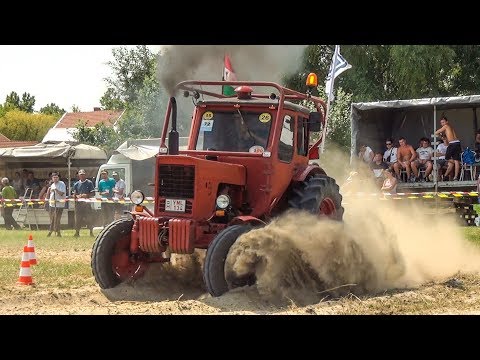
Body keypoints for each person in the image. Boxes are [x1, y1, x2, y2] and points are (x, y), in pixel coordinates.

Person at [435, 115, 462, 181]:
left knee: (447, 157)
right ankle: (455, 177)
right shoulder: (450, 127)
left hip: (452, 143)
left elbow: (436, 132)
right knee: (456, 160)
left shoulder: (446, 126)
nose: (442, 124)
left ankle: (460, 164)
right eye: (441, 123)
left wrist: (440, 135)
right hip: (457, 143)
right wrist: (442, 136)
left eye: (443, 122)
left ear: (447, 122)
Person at [72, 169, 95, 237]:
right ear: (78, 175)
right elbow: (74, 194)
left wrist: (86, 195)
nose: (82, 176)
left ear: (85, 175)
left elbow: (93, 193)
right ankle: (77, 232)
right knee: (78, 219)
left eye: (83, 174)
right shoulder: (76, 184)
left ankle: (91, 232)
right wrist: (76, 196)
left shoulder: (89, 183)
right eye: (80, 174)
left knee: (89, 219)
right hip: (79, 205)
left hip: (87, 204)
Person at [46, 172, 66, 237]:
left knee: (56, 219)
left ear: (58, 178)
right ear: (52, 178)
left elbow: (61, 193)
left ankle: (51, 231)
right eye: (54, 177)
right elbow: (50, 194)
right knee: (53, 219)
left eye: (56, 177)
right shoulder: (52, 185)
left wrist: (56, 190)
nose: (55, 179)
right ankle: (57, 232)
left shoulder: (62, 184)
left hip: (59, 205)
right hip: (52, 204)